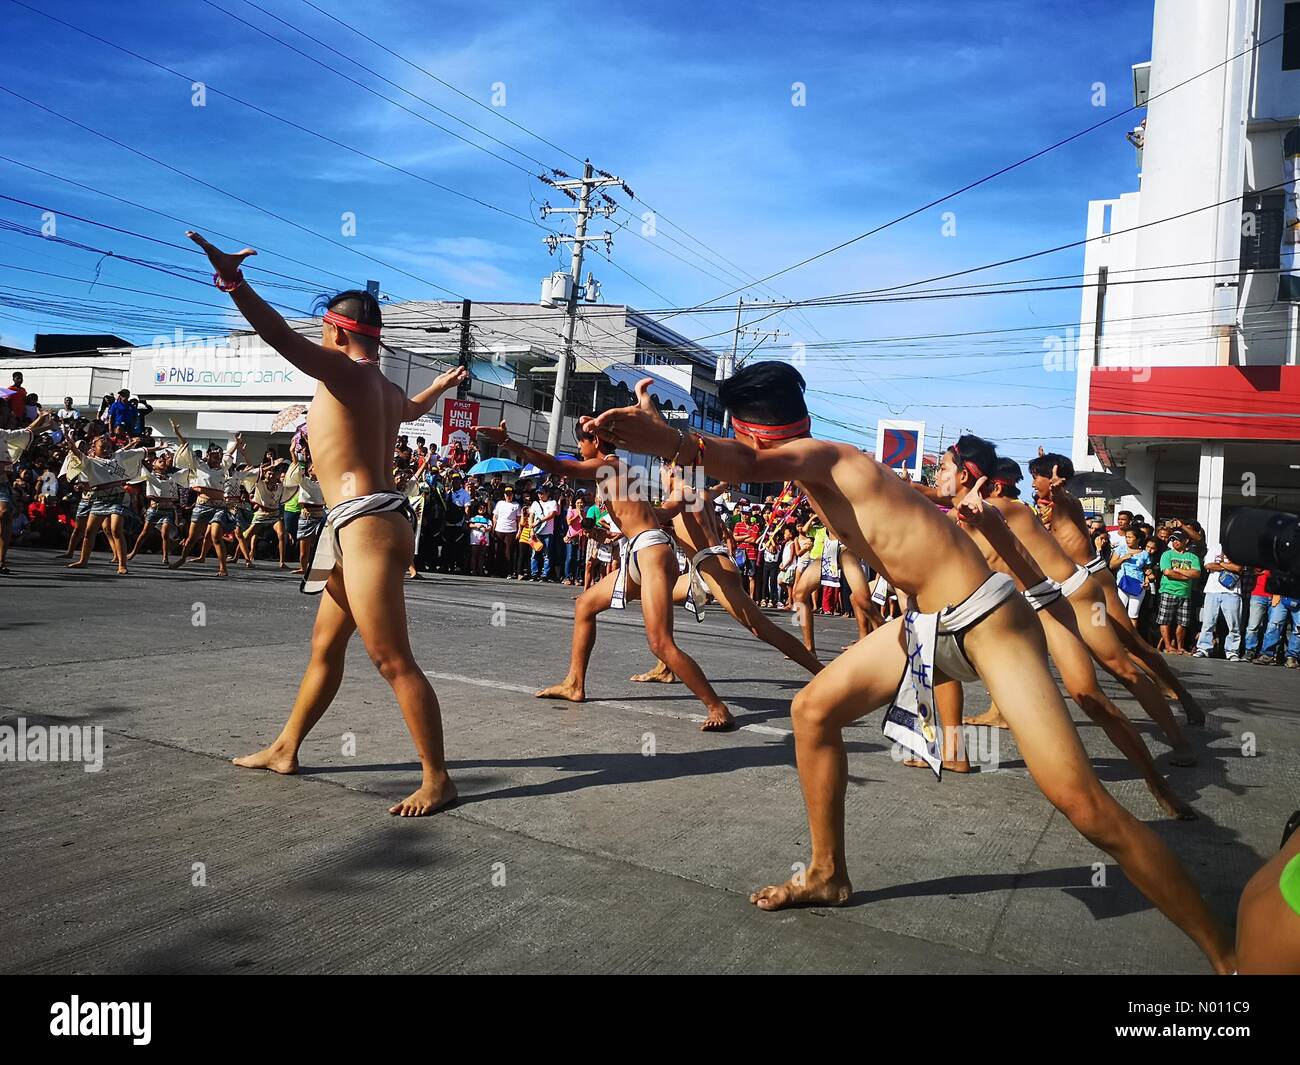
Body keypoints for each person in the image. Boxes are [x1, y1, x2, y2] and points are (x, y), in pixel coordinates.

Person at [592, 364, 1232, 971]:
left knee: (1083, 805)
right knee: (811, 710)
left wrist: (673, 437)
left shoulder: (825, 455)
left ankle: (1227, 959)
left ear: (749, 426)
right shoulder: (817, 465)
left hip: (986, 620)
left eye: (736, 427)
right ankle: (827, 874)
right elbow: (737, 465)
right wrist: (652, 427)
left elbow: (747, 460)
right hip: (925, 627)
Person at [187, 230, 468, 815]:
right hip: (353, 527)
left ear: (338, 331)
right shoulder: (385, 387)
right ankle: (287, 746)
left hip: (365, 526)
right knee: (324, 649)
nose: (319, 337)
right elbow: (413, 409)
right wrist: (440, 385)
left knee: (392, 660)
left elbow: (277, 335)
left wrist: (232, 280)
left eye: (324, 330)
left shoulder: (344, 373)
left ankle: (437, 778)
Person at [476, 418, 734, 730]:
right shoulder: (623, 473)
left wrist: (511, 444)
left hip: (650, 553)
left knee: (660, 643)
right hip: (640, 552)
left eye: (581, 443)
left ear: (596, 443)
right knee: (585, 605)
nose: (580, 450)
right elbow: (657, 514)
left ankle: (717, 707)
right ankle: (574, 683)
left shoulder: (607, 467)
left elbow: (560, 467)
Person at [629, 465, 823, 683]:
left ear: (672, 472)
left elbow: (663, 512)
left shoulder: (680, 494)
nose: (661, 479)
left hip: (714, 569)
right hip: (706, 568)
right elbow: (719, 490)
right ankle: (664, 665)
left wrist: (629, 508)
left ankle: (822, 672)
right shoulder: (701, 493)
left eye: (662, 474)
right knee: (657, 598)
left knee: (762, 628)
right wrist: (727, 484)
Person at [1, 411, 54, 573]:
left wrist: (42, 420)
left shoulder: (2, 434)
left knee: (4, 515)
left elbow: (27, 432)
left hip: (0, 485)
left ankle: (1, 561)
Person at [1193, 544, 1244, 660]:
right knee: (1208, 622)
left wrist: (1219, 564)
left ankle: (1232, 651)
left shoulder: (1239, 550)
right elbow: (1208, 565)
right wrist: (1228, 566)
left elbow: (1238, 568)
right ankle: (1203, 648)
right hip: (1212, 590)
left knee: (1234, 625)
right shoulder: (1214, 548)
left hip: (1232, 592)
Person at [1156, 528, 1201, 654]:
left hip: (1185, 593)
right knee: (1165, 620)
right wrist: (1187, 575)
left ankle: (1180, 646)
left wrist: (1178, 570)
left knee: (1183, 622)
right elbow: (1167, 572)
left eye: (1178, 540)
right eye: (1173, 540)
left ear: (1186, 541)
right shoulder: (1167, 554)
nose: (1175, 542)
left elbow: (1197, 573)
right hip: (1168, 590)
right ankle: (1168, 645)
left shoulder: (1192, 556)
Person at [528, 484, 559, 581]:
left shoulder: (552, 502)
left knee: (547, 555)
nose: (540, 495)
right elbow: (531, 517)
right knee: (534, 553)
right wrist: (531, 530)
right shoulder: (535, 503)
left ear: (547, 493)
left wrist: (540, 520)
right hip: (537, 532)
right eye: (538, 493)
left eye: (542, 493)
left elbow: (552, 514)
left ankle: (545, 574)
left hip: (547, 532)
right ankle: (534, 573)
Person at [491, 484, 521, 578]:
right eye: (507, 494)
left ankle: (508, 572)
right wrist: (493, 528)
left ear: (513, 495)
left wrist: (519, 531)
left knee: (508, 552)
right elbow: (495, 517)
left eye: (510, 494)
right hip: (499, 529)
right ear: (504, 495)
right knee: (498, 551)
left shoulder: (516, 505)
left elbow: (519, 519)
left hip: (511, 530)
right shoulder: (500, 503)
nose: (508, 496)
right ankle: (497, 572)